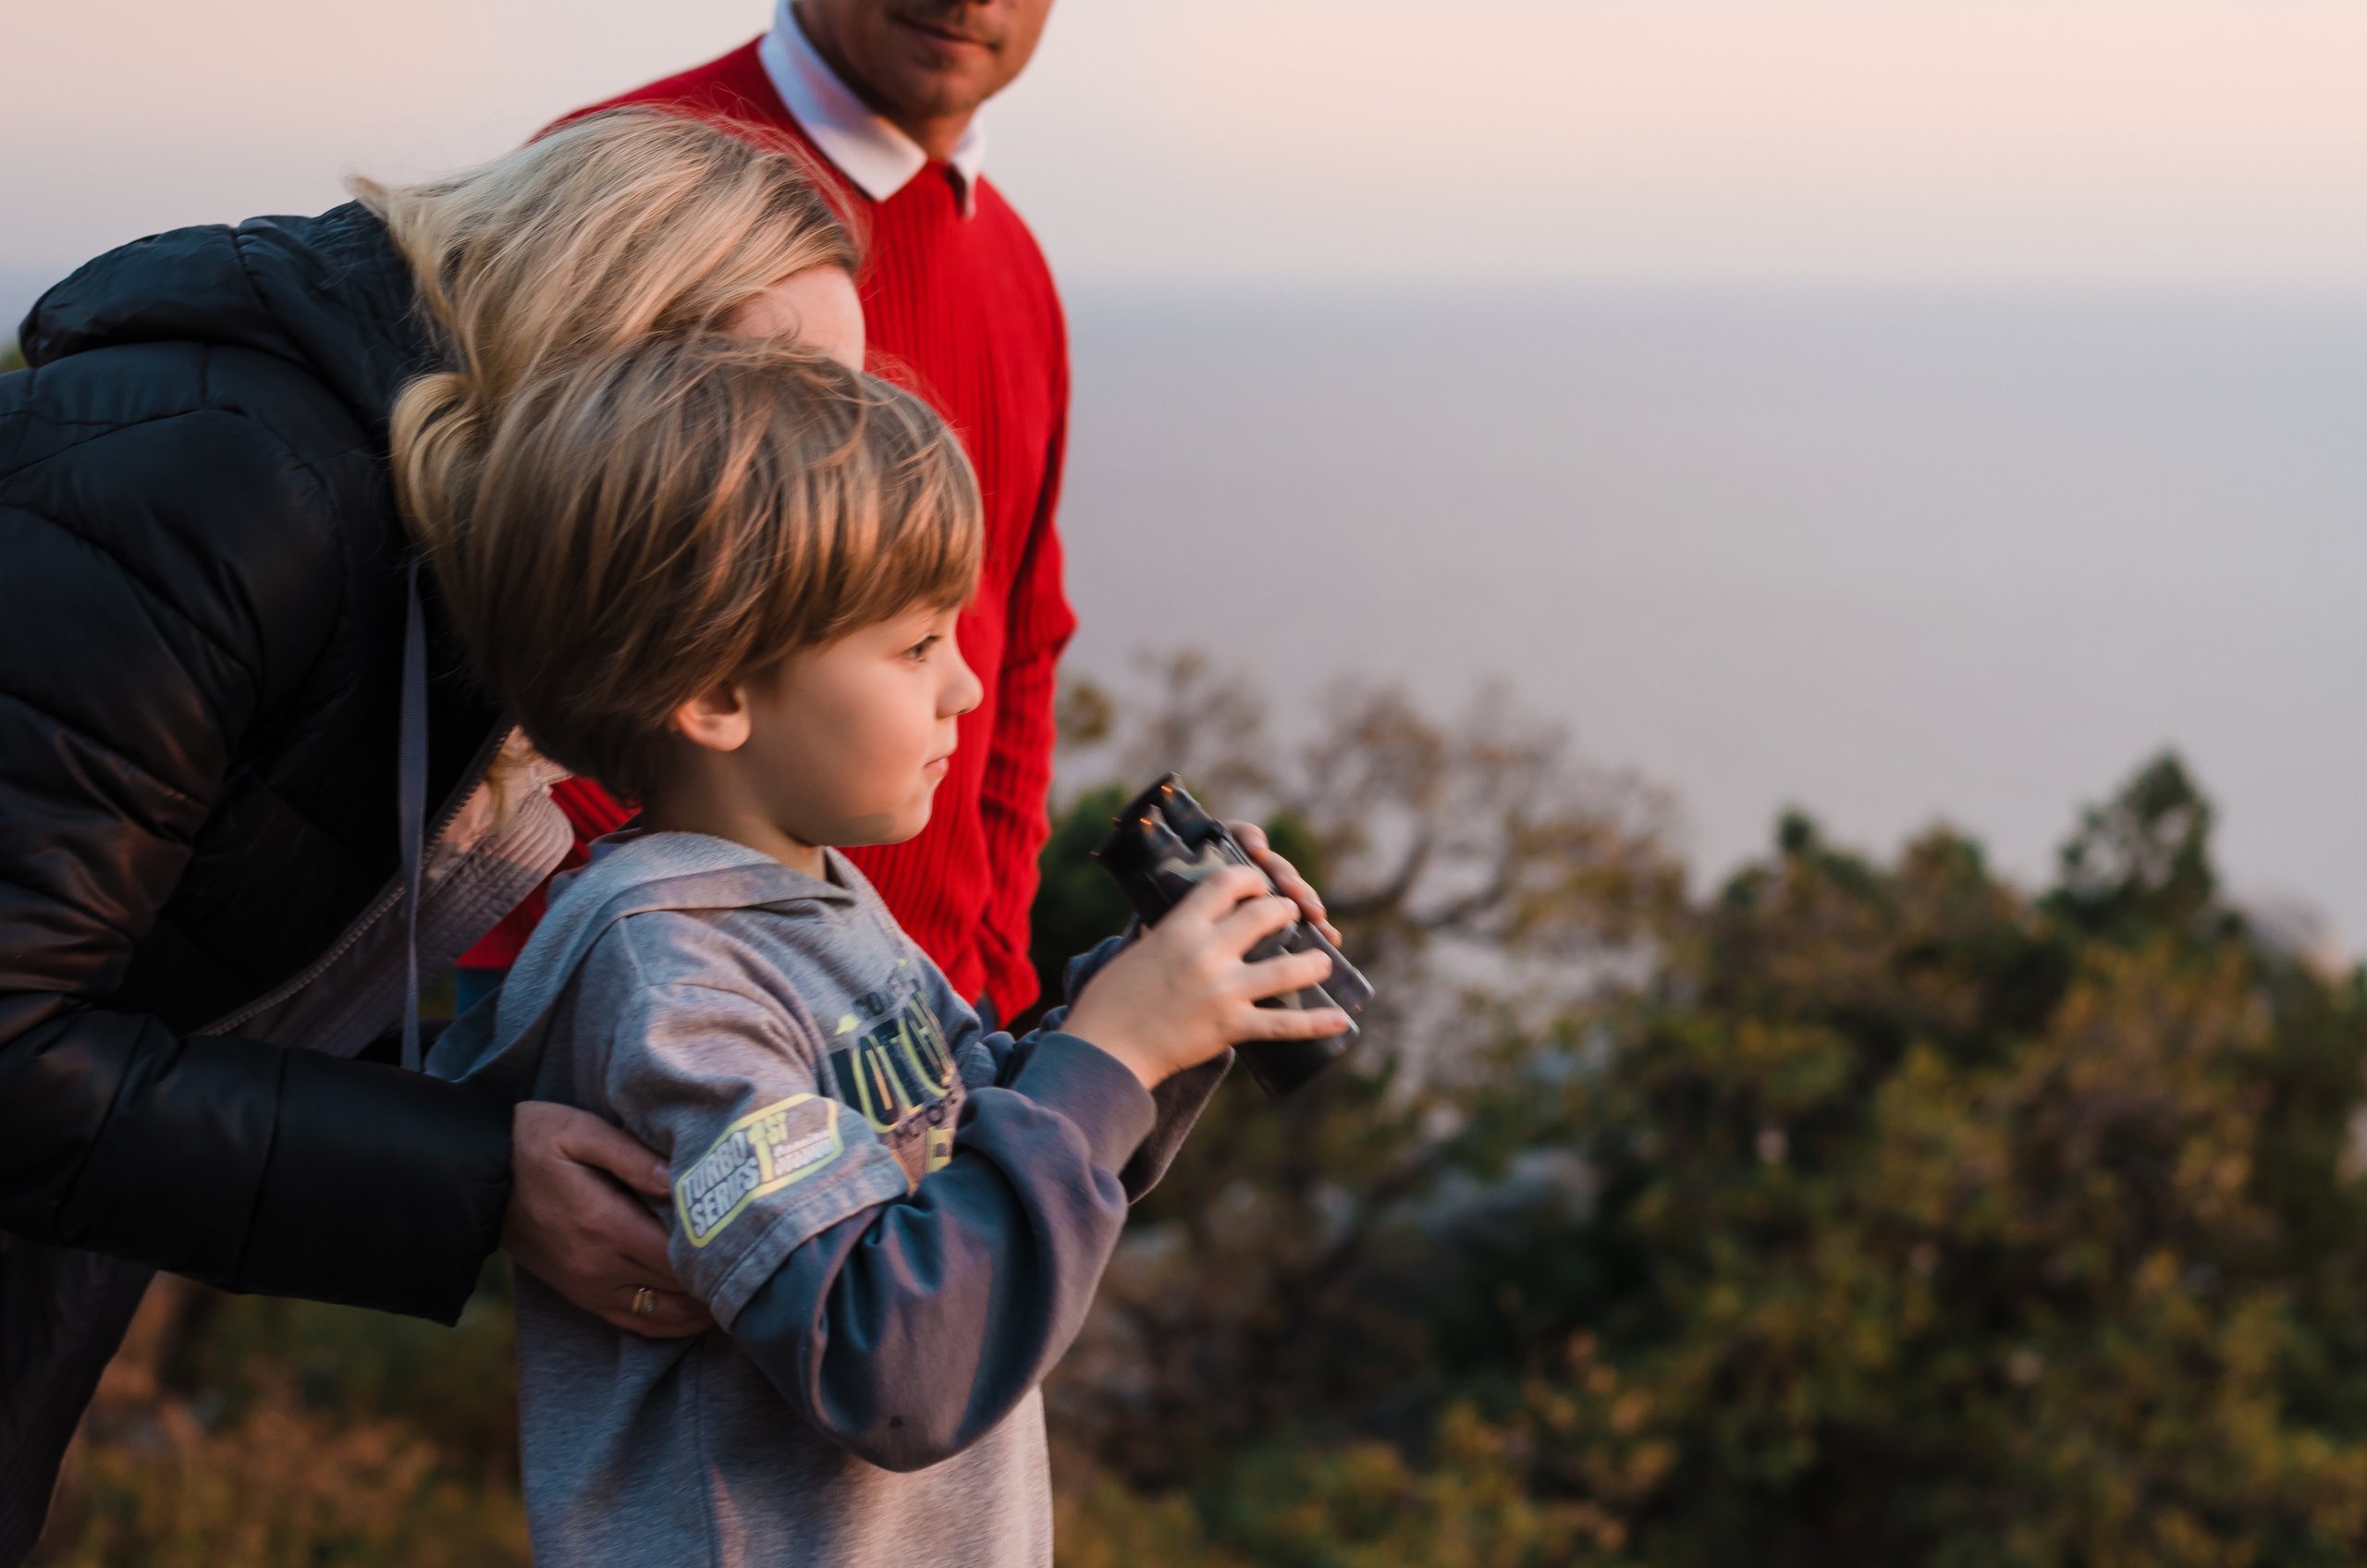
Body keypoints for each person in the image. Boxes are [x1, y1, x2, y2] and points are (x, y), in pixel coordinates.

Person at [0, 112, 866, 1562]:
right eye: (763, 410)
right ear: (601, 324)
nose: (801, 483)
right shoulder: (218, 495)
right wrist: (476, 1183)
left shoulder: (433, 548)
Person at [419, 330, 1344, 1566]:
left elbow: (986, 1173)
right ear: (718, 695)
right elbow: (890, 1355)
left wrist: (1160, 1012)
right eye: (915, 647)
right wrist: (1113, 1057)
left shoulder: (807, 899)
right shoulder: (679, 987)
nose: (965, 688)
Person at [463, 0, 1071, 1026]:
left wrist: (992, 985)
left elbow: (1016, 645)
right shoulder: (632, 189)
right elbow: (528, 606)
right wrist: (625, 966)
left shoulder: (1011, 263)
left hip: (917, 1031)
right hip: (666, 1022)